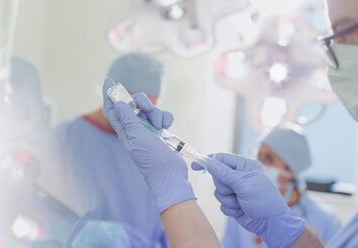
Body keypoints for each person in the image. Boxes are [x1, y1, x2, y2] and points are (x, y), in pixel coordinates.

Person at [102, 0, 358, 246]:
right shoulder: (256, 213)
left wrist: (171, 190)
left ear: (292, 168)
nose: (335, 54)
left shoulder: (325, 220)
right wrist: (285, 232)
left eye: (344, 32)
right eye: (334, 37)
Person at [45, 53, 168, 247]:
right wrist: (91, 237)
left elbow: (166, 221)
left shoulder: (154, 150)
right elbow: (43, 212)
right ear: (111, 93)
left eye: (151, 107)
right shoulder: (65, 138)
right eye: (135, 106)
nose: (142, 117)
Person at [222, 124, 342, 247]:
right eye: (258, 155)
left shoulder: (325, 220)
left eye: (269, 159)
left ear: (291, 169)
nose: (258, 164)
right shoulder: (242, 209)